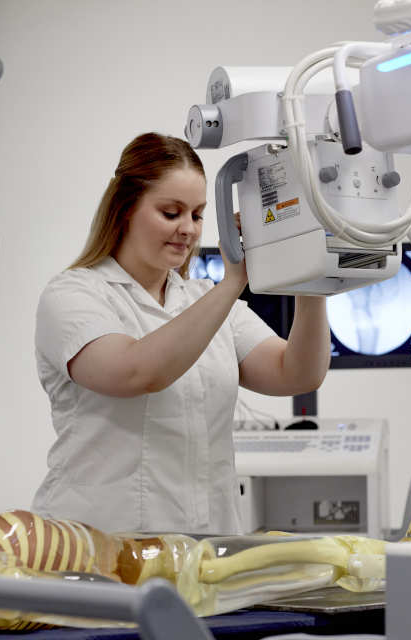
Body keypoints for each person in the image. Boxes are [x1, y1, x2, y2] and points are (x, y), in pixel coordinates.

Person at [32, 132, 331, 534]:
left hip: (205, 545)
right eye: (171, 213)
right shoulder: (72, 295)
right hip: (101, 545)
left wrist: (310, 279)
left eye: (197, 214)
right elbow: (136, 372)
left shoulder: (203, 301)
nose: (188, 230)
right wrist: (232, 282)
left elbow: (296, 373)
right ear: (124, 210)